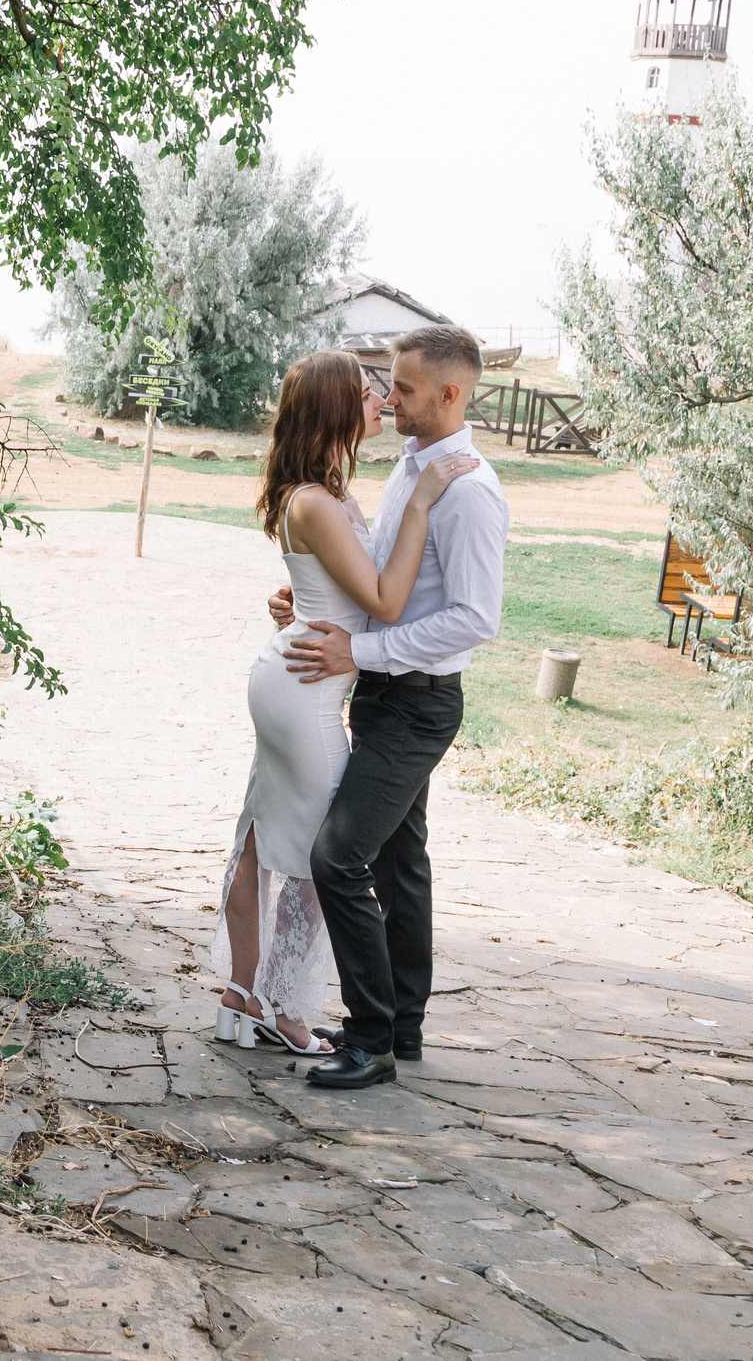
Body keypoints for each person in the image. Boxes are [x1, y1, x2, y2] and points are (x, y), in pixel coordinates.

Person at [214, 350, 478, 1056]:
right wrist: (422, 499)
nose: (382, 400)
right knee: (316, 855)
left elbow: (335, 590)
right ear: (336, 406)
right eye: (368, 391)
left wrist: (297, 606)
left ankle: (243, 995)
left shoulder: (326, 494)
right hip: (307, 692)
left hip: (299, 679)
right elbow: (386, 598)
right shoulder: (319, 501)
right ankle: (283, 1007)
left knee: (263, 835)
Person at [273, 325, 509, 1090]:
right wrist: (313, 612)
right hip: (381, 695)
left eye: (403, 389)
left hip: (417, 704)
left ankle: (370, 1037)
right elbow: (384, 581)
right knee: (403, 864)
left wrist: (359, 652)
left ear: (449, 394)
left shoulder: (469, 489)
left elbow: (476, 617)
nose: (389, 398)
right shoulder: (412, 466)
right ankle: (401, 1024)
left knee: (337, 855)